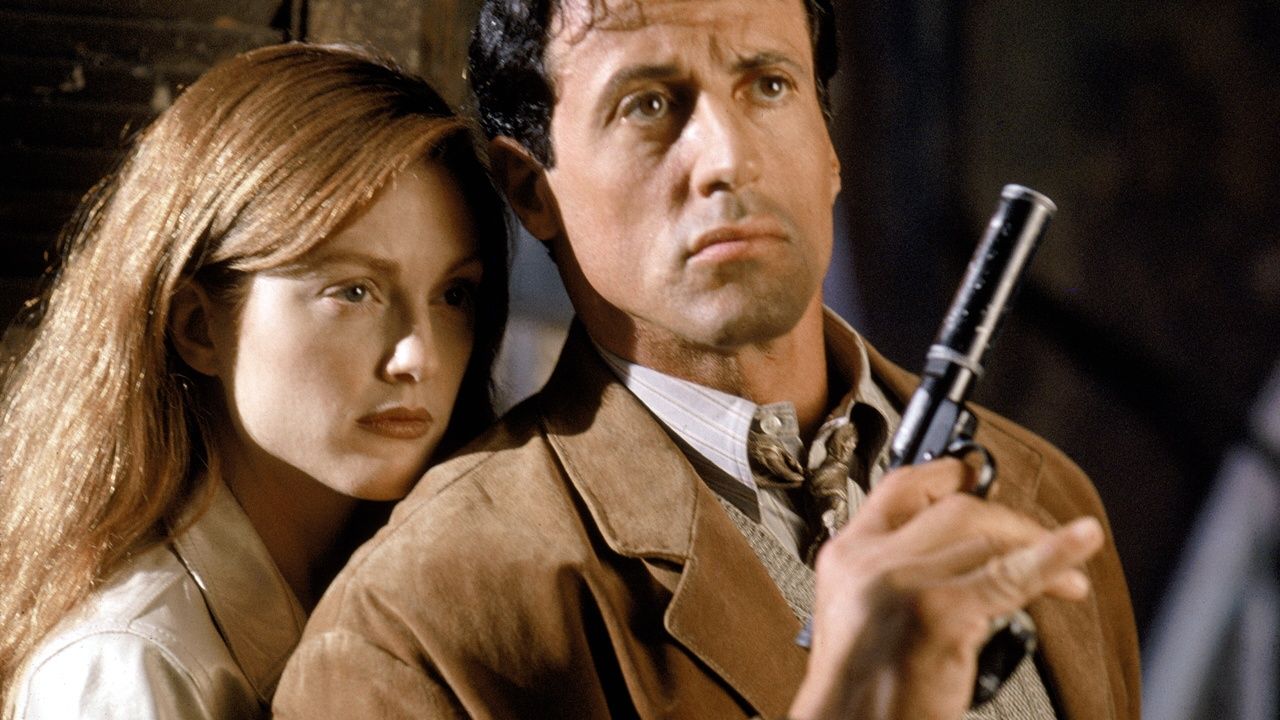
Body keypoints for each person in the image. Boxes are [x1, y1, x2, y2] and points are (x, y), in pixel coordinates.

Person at [275, 1, 1140, 718]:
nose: (729, 159)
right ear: (532, 189)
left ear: (831, 148)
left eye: (770, 85)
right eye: (649, 105)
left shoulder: (1043, 493)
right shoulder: (415, 622)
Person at [0, 43, 508, 719]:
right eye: (353, 291)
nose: (420, 357)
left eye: (453, 295)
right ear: (199, 328)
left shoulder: (395, 604)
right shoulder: (129, 668)